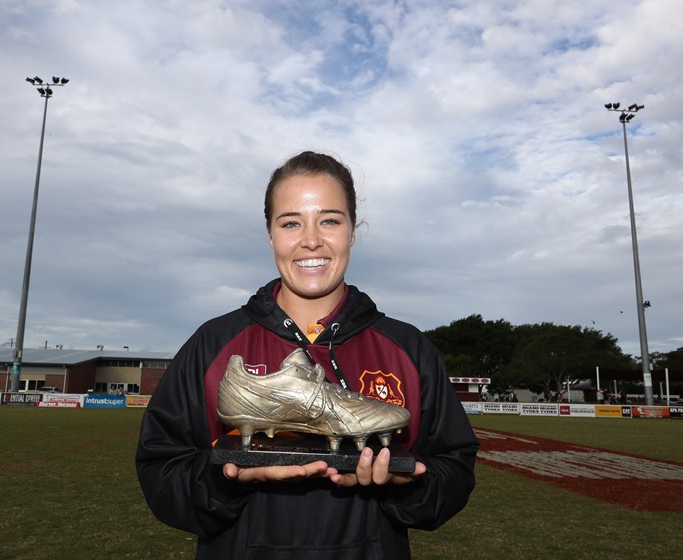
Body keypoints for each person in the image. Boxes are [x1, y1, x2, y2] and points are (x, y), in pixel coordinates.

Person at [136, 151, 479, 559]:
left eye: (330, 220)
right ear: (270, 234)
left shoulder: (408, 348)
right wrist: (226, 479)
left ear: (353, 231)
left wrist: (408, 486)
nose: (311, 240)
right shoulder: (213, 343)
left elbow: (454, 470)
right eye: (291, 222)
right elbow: (160, 471)